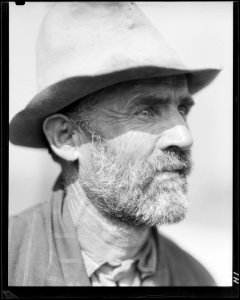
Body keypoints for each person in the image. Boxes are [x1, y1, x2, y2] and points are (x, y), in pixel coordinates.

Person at [8, 2, 221, 286]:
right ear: (66, 137)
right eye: (146, 111)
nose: (184, 137)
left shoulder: (196, 279)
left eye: (182, 110)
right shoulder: (11, 261)